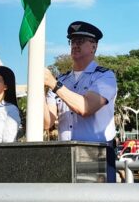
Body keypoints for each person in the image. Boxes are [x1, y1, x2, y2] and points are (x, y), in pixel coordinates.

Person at [43, 21, 118, 183]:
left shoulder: (104, 76)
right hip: (63, 155)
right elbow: (47, 122)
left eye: (80, 41)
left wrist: (54, 85)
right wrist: (38, 91)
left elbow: (85, 107)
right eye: (72, 41)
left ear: (94, 47)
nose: (75, 45)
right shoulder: (61, 80)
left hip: (95, 153)